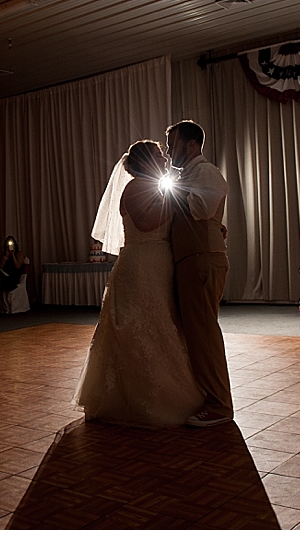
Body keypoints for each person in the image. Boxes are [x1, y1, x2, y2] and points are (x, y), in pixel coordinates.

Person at [73, 140, 203, 427]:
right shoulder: (134, 188)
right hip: (140, 263)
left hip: (157, 263)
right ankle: (135, 399)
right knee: (137, 327)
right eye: (159, 154)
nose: (165, 158)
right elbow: (146, 223)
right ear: (146, 161)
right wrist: (177, 201)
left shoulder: (154, 187)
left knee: (161, 325)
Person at [165, 120, 233, 428]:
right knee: (195, 333)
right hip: (190, 259)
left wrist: (171, 188)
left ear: (192, 144)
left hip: (201, 260)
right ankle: (206, 395)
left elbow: (201, 209)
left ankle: (219, 404)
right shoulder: (189, 175)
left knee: (204, 334)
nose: (169, 152)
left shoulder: (205, 172)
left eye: (173, 144)